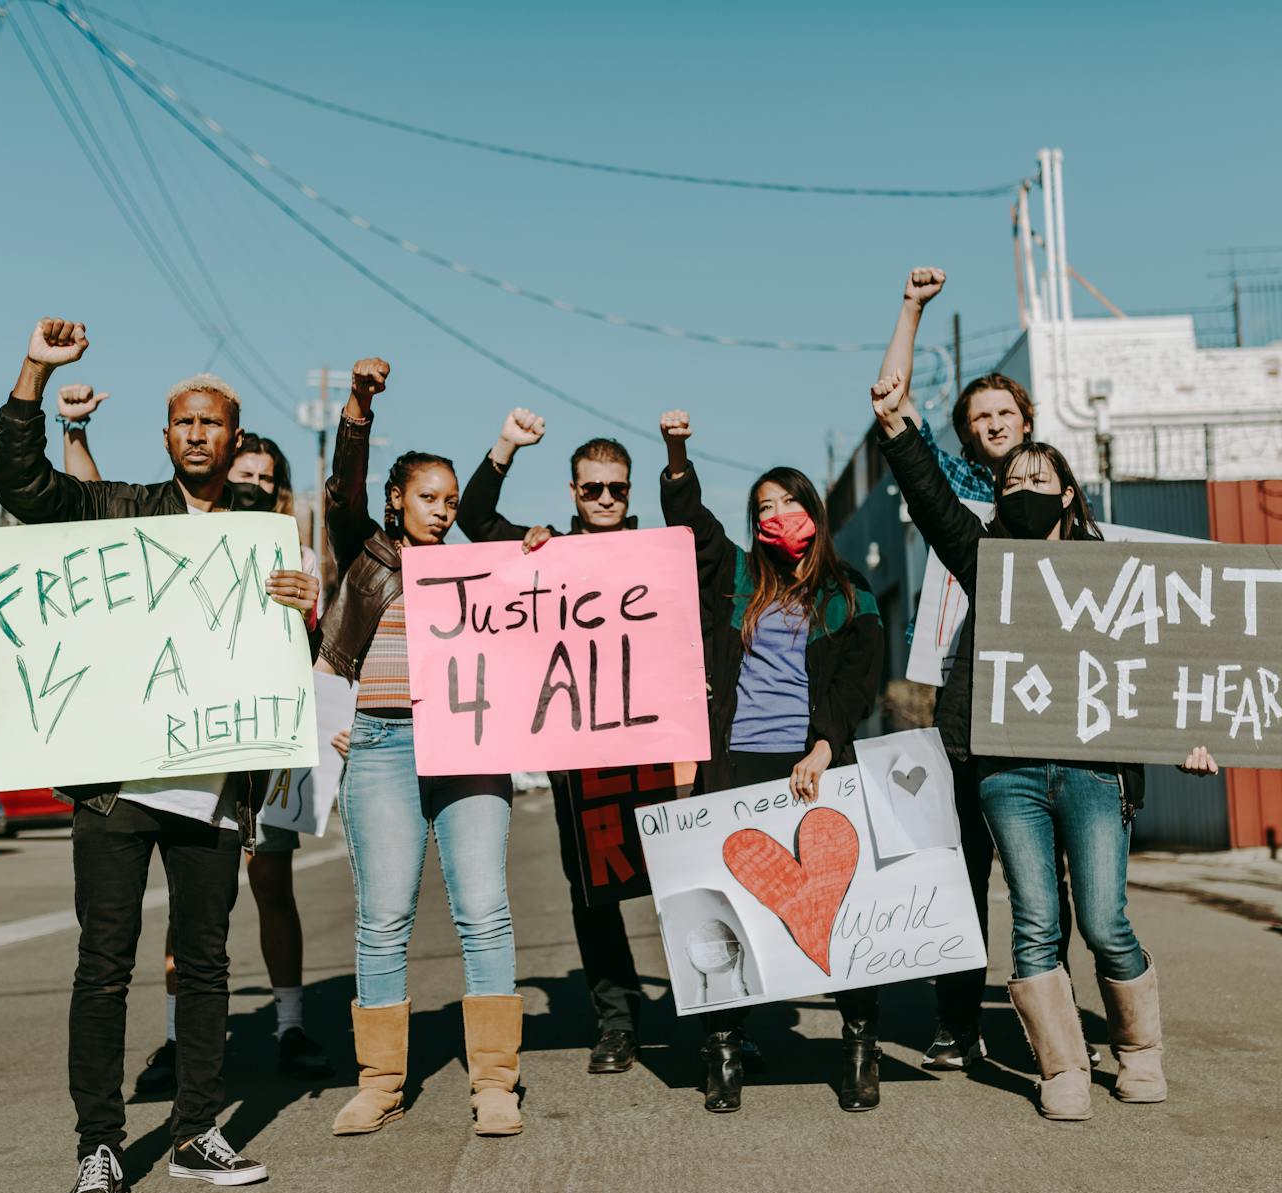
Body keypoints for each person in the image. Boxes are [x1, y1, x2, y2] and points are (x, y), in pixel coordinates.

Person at [0, 319, 321, 1193]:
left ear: (236, 439)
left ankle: (197, 1131)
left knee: (206, 962)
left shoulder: (265, 533)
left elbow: (291, 662)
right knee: (104, 963)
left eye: (215, 423)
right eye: (185, 423)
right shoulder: (120, 509)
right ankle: (98, 1147)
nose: (200, 435)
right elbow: (19, 484)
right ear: (166, 436)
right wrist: (35, 373)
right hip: (115, 787)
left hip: (212, 787)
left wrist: (305, 608)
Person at [870, 367, 1218, 1122]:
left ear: (1066, 492)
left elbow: (1158, 667)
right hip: (1009, 773)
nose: (1024, 482)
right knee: (1034, 919)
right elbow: (929, 496)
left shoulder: (1114, 573)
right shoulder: (984, 560)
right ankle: (1059, 1066)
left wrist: (1190, 732)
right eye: (1013, 479)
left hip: (1095, 773)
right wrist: (897, 426)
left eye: (1039, 474)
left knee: (1103, 920)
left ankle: (1139, 1049)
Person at [56, 389, 332, 1086]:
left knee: (269, 887)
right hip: (171, 756)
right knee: (186, 915)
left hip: (250, 754)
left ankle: (289, 1023)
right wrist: (75, 429)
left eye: (266, 481)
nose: (252, 486)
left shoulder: (288, 558)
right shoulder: (163, 527)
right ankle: (181, 1039)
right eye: (248, 477)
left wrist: (305, 618)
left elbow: (307, 658)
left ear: (275, 490)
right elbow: (91, 512)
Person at [876, 266, 1084, 1072]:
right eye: (980, 418)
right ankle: (957, 1020)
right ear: (967, 437)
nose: (996, 425)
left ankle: (1051, 1019)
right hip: (963, 695)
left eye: (1007, 412)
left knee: (1046, 875)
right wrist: (911, 311)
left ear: (1028, 420)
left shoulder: (1067, 497)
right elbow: (894, 408)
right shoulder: (961, 492)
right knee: (965, 865)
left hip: (1049, 705)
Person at [657, 407, 888, 1114]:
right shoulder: (735, 578)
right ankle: (723, 1046)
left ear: (813, 509)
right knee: (726, 909)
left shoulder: (849, 592)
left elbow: (860, 678)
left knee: (841, 910)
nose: (778, 513)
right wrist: (677, 450)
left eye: (789, 501)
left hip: (814, 763)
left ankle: (858, 1042)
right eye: (765, 506)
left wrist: (823, 744)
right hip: (737, 763)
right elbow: (688, 519)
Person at [316, 358, 524, 1137]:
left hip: (470, 744)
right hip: (381, 744)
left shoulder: (480, 565)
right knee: (382, 917)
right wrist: (358, 407)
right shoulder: (367, 552)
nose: (442, 512)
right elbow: (341, 488)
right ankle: (380, 1083)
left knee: (484, 910)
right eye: (427, 499)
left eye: (451, 502)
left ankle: (495, 1083)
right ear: (397, 500)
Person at [455, 407, 647, 1075]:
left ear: (630, 492)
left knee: (683, 880)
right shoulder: (546, 554)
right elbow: (474, 518)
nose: (603, 499)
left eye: (615, 488)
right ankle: (617, 1020)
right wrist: (507, 443)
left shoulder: (660, 554)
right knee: (593, 892)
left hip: (656, 747)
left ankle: (718, 1017)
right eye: (591, 488)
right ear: (572, 492)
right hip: (579, 757)